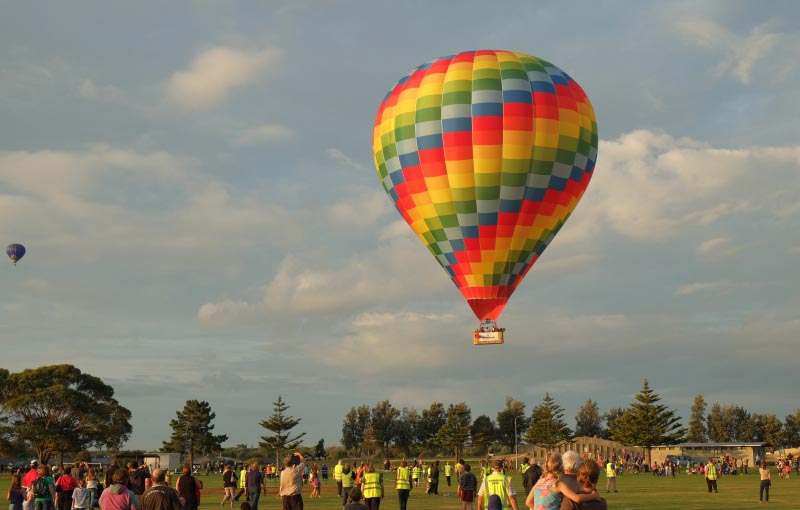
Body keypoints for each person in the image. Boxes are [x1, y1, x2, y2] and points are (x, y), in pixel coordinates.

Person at [526, 453, 599, 510]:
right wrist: (592, 496)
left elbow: (528, 502)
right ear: (561, 467)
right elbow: (577, 498)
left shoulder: (539, 482)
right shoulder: (557, 484)